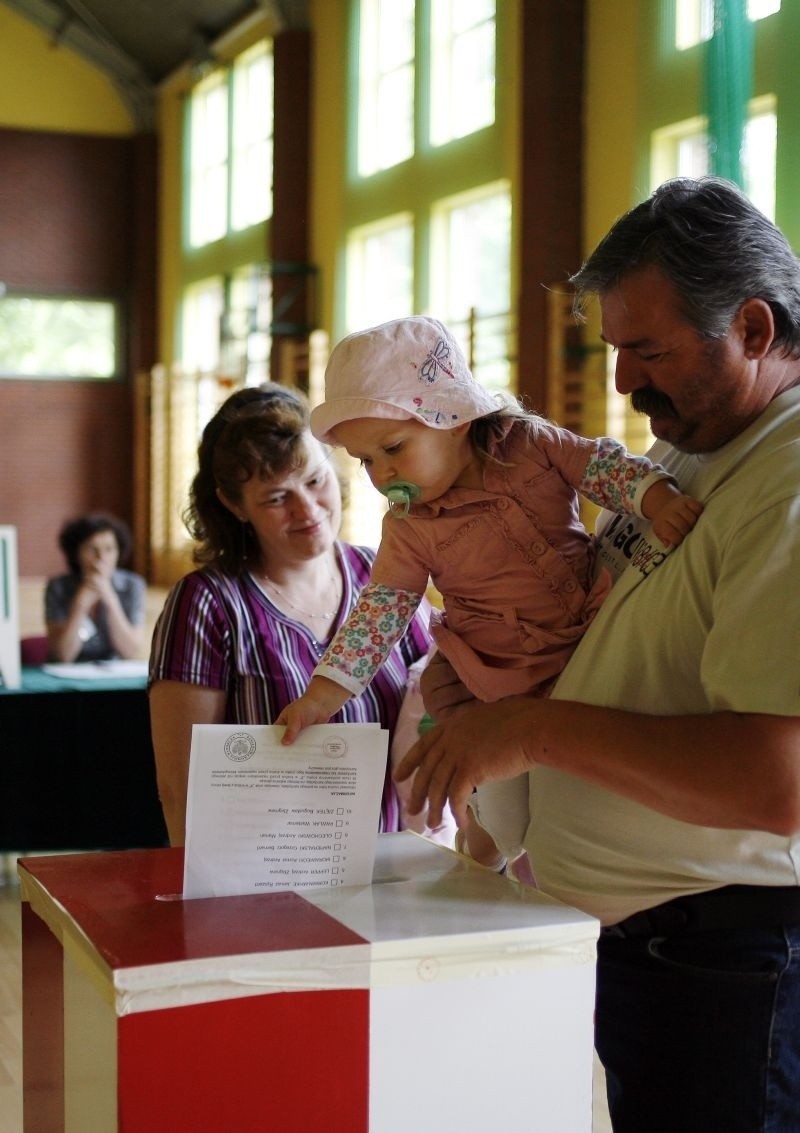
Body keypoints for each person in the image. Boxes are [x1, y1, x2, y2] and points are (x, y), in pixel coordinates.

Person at [395, 178, 800, 1132]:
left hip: (734, 962)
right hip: (654, 952)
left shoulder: (785, 483)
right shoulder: (682, 457)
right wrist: (480, 682)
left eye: (648, 350)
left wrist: (531, 729)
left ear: (750, 326)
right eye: (615, 350)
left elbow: (778, 780)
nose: (622, 383)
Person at [277, 315, 702, 878]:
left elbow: (600, 465)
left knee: (586, 796)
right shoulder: (408, 526)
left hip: (587, 645)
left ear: (451, 418)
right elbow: (382, 609)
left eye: (393, 448)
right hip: (495, 679)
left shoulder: (531, 445)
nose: (383, 475)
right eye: (367, 462)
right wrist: (323, 695)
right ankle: (477, 863)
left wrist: (657, 499)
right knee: (502, 816)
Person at [148, 382, 435, 847]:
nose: (307, 511)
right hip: (267, 883)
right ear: (233, 505)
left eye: (315, 481)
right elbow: (180, 790)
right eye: (277, 498)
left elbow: (436, 702)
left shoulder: (389, 578)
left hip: (394, 871)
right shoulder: (207, 603)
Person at [45, 512, 145, 662]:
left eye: (109, 549)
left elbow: (129, 651)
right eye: (92, 549)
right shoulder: (58, 587)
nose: (102, 557)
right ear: (76, 554)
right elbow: (62, 656)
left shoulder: (133, 585)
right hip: (71, 674)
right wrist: (80, 605)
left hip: (115, 675)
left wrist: (110, 599)